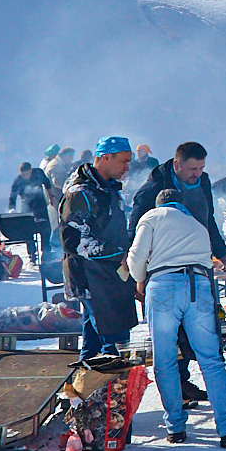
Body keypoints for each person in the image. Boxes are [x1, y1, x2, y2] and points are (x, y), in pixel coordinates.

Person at [128, 189, 226, 446]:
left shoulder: (151, 217)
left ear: (159, 204)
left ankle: (175, 427)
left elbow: (137, 256)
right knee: (211, 360)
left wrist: (140, 279)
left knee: (165, 360)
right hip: (199, 286)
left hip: (162, 286)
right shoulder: (196, 224)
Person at [60, 139, 139, 354]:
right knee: (116, 343)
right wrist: (118, 254)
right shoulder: (81, 193)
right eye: (123, 161)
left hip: (110, 276)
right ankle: (111, 387)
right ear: (106, 157)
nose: (126, 167)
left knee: (93, 345)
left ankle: (86, 386)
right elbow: (75, 242)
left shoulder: (107, 189)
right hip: (92, 279)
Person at [5, 161, 52, 260]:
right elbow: (12, 196)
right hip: (26, 206)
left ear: (31, 170)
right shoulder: (18, 180)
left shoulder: (38, 173)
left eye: (26, 174)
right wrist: (12, 208)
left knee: (45, 229)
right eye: (22, 174)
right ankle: (32, 253)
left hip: (40, 203)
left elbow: (47, 184)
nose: (24, 176)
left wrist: (51, 196)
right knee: (28, 231)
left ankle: (46, 252)